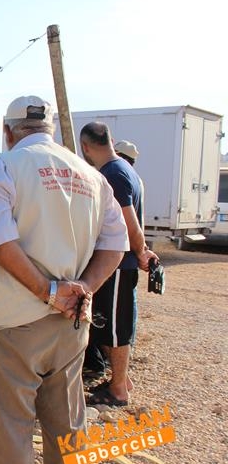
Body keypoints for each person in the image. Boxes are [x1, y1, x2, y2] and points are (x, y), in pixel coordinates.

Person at [0, 96, 128, 464]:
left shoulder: (4, 169)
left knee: (9, 431)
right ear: (52, 130)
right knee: (68, 422)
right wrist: (84, 288)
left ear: (8, 132)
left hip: (13, 323)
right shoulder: (92, 177)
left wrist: (49, 291)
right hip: (71, 324)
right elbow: (116, 243)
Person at [80, 124, 158, 407]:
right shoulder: (126, 170)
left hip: (118, 262)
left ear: (85, 147)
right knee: (110, 326)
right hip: (120, 262)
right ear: (110, 140)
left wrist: (140, 251)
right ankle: (121, 380)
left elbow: (128, 219)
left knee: (114, 330)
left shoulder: (112, 173)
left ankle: (118, 390)